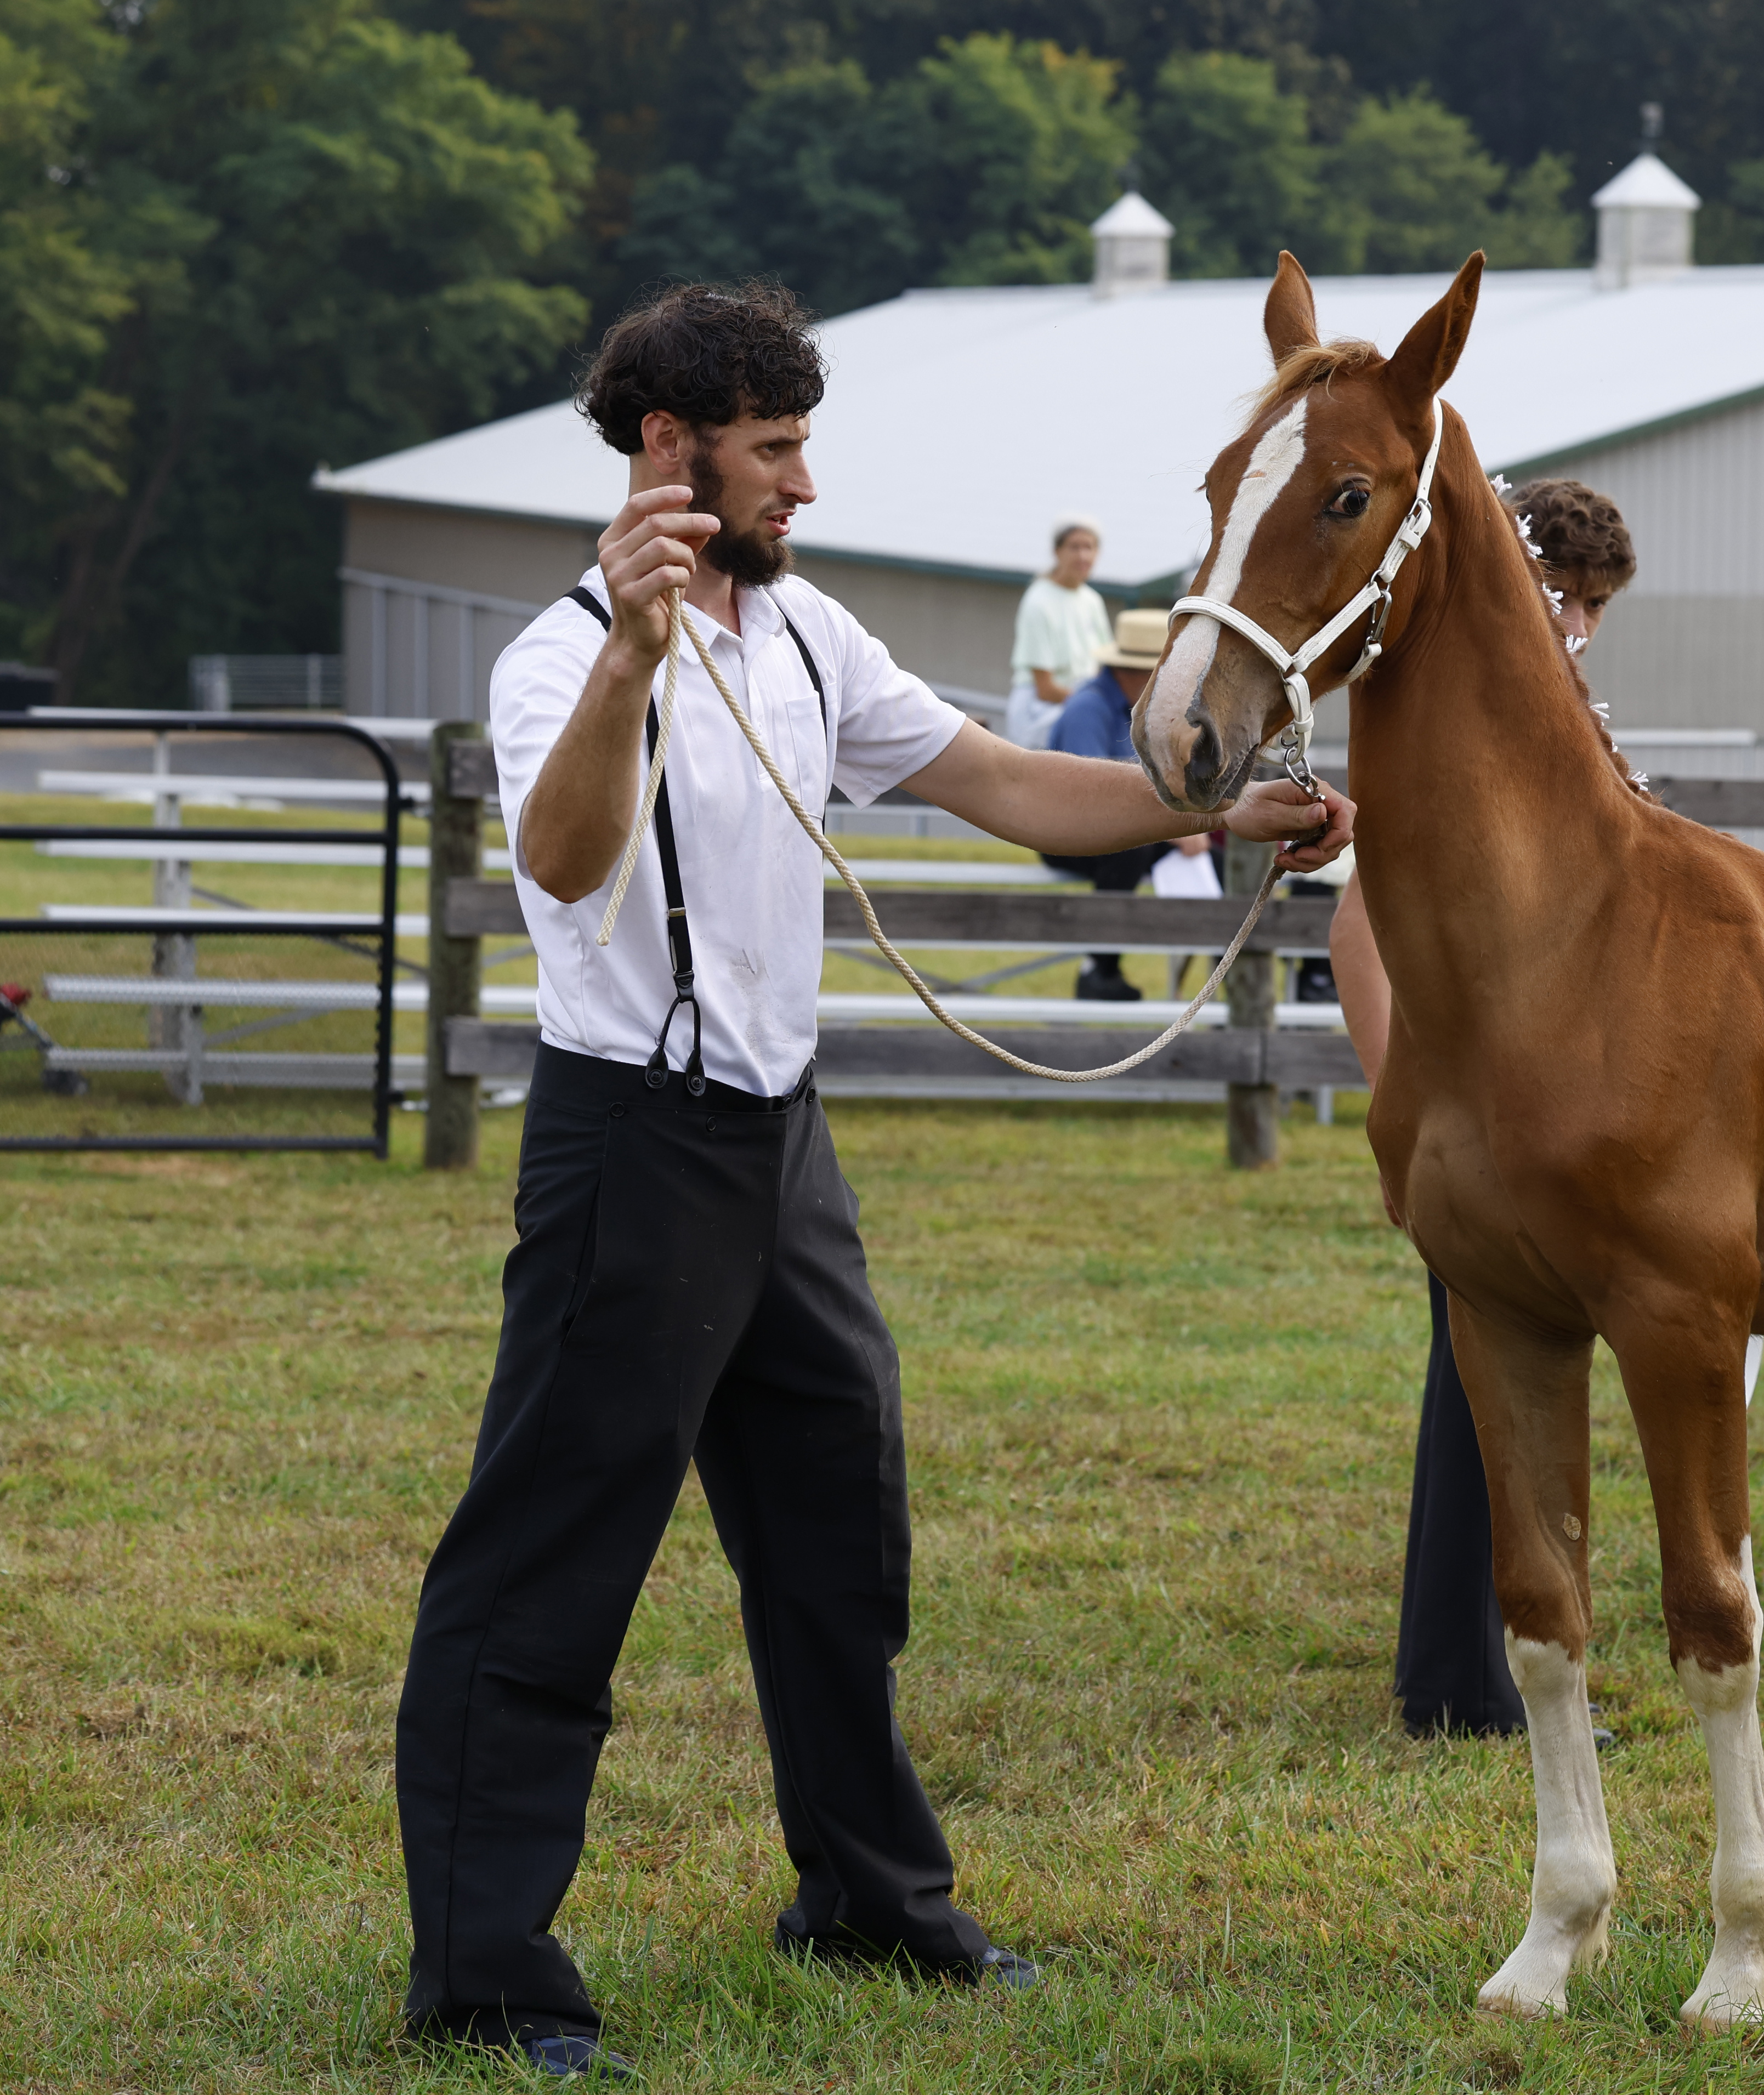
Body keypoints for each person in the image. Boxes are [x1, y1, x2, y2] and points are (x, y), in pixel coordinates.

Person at [394, 281, 1349, 2080]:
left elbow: (1001, 781)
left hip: (780, 1149)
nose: (804, 485)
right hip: (629, 1146)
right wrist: (626, 660)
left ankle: (868, 1903)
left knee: (843, 1534)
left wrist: (1213, 812)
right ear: (670, 453)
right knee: (551, 1564)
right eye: (773, 451)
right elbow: (565, 855)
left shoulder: (812, 638)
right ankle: (491, 1969)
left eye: (803, 446)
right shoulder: (554, 664)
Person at [1331, 478, 1637, 1736]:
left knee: (1497, 1385)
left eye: (1591, 603)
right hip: (1474, 1108)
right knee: (1483, 1388)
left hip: (1551, 1099)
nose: (1574, 623)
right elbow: (1361, 918)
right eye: (1556, 594)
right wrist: (1403, 1097)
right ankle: (1470, 1677)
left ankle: (1457, 1668)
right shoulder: (1459, 724)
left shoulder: (1546, 720)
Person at [1042, 608, 1209, 1000]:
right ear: (1138, 672)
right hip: (1063, 831)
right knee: (1128, 849)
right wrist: (1173, 831)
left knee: (1212, 866)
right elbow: (1089, 793)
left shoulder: (1134, 708)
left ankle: (1224, 983)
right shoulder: (1089, 708)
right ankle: (1100, 968)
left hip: (1120, 832)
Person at [1005, 520, 1110, 749]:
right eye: (1074, 547)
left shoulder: (1092, 601)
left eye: (1089, 547)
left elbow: (1105, 663)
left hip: (1081, 707)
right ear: (1057, 552)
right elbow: (1045, 689)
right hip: (1042, 714)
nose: (1083, 556)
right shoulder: (1038, 602)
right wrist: (1092, 706)